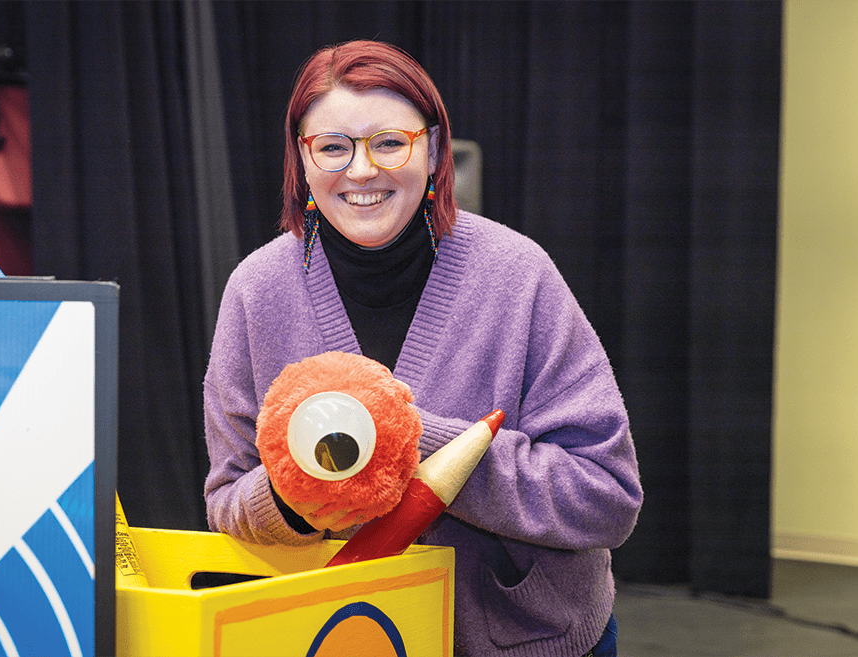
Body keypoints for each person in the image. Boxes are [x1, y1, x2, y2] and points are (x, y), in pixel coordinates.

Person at [203, 40, 642, 657]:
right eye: (332, 147)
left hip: (521, 640)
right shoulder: (256, 290)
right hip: (341, 638)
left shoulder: (518, 276)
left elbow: (606, 498)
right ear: (300, 160)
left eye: (389, 143)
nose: (360, 171)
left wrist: (417, 439)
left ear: (433, 149)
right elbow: (226, 500)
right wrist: (298, 493)